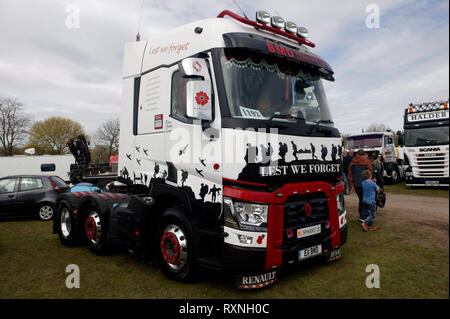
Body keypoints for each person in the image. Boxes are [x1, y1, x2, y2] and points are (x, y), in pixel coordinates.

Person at [348, 150, 373, 221]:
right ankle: (364, 216)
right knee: (365, 199)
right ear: (364, 154)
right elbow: (371, 171)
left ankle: (362, 215)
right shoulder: (366, 161)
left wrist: (352, 185)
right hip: (365, 183)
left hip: (356, 184)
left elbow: (350, 175)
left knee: (361, 199)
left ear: (357, 154)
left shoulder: (352, 163)